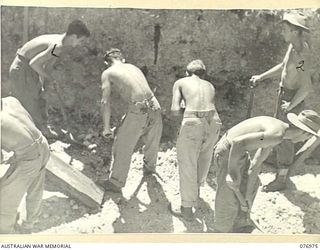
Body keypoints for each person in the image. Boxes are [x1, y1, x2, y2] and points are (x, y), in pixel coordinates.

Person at [213, 110, 320, 233]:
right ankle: (221, 231)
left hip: (239, 152)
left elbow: (255, 164)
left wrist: (248, 195)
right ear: (303, 132)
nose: (302, 141)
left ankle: (241, 221)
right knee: (227, 195)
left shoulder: (279, 133)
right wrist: (232, 173)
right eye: (308, 137)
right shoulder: (276, 135)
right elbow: (238, 143)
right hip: (228, 151)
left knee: (253, 185)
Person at [250, 12, 313, 192]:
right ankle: (279, 164)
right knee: (279, 134)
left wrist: (291, 105)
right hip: (285, 96)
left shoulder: (301, 55)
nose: (282, 33)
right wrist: (261, 77)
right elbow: (284, 67)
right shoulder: (292, 47)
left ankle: (281, 179)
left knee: (283, 137)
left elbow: (306, 87)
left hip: (291, 99)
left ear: (294, 31)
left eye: (285, 29)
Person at [9, 19, 90, 136]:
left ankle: (43, 128)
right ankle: (36, 134)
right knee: (31, 102)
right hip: (22, 69)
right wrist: (49, 79)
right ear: (73, 37)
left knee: (40, 96)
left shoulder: (60, 41)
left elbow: (47, 64)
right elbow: (34, 63)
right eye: (81, 41)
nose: (80, 44)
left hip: (28, 69)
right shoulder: (57, 46)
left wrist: (47, 83)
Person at [99, 48, 163, 193]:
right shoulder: (133, 67)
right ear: (122, 58)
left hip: (138, 109)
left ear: (106, 62)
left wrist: (106, 128)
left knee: (122, 144)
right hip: (155, 105)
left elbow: (104, 102)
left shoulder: (107, 73)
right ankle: (149, 168)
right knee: (152, 139)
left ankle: (116, 182)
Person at [168, 60, 222, 220]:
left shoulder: (181, 82)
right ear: (203, 74)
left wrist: (185, 108)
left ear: (187, 73)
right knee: (204, 159)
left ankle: (186, 209)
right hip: (214, 120)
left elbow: (175, 111)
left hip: (193, 121)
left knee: (188, 163)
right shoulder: (209, 85)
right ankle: (195, 194)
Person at [0, 96, 51, 234]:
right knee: (35, 189)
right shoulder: (11, 100)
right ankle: (28, 224)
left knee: (4, 201)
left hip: (28, 158)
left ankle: (5, 234)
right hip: (43, 144)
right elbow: (27, 128)